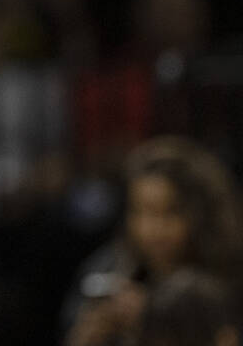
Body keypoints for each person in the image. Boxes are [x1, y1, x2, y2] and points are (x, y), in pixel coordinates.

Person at [63, 136, 243, 346]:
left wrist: (159, 324)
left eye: (170, 212)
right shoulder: (110, 268)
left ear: (201, 215)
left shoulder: (229, 282)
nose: (152, 230)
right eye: (140, 211)